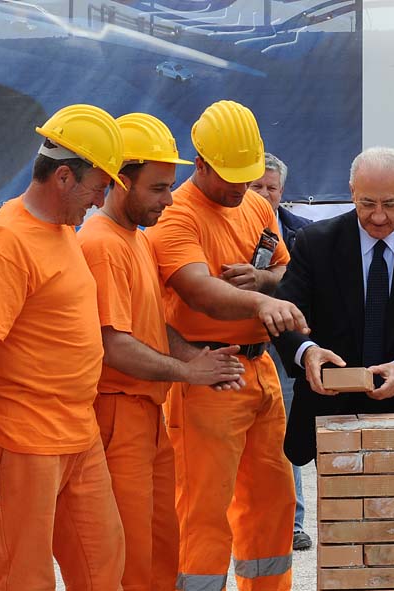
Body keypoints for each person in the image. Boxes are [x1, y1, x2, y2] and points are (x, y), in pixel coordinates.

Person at [0, 104, 126, 589]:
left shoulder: (60, 232)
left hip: (76, 435)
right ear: (65, 177)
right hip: (23, 445)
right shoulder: (5, 244)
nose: (100, 201)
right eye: (98, 187)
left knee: (102, 569)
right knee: (20, 579)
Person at [77, 112, 245, 591]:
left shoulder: (134, 239)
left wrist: (196, 360)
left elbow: (152, 326)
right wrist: (189, 371)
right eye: (157, 188)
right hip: (116, 413)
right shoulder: (102, 244)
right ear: (118, 181)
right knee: (126, 553)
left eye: (171, 186)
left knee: (159, 547)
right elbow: (115, 346)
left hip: (146, 412)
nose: (169, 200)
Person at [146, 100, 308, 590]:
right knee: (203, 508)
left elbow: (286, 270)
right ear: (199, 165)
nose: (241, 187)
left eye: (249, 174)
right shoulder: (176, 215)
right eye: (231, 176)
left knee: (273, 502)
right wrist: (258, 303)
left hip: (262, 372)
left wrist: (262, 278)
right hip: (208, 372)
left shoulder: (257, 205)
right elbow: (199, 290)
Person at [273, 146, 394, 466]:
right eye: (367, 203)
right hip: (330, 408)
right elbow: (286, 315)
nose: (378, 216)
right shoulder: (314, 242)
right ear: (351, 192)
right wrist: (308, 352)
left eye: (390, 204)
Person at [249, 152, 314, 551]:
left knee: (284, 433)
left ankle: (293, 522)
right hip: (238, 346)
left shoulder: (303, 234)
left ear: (282, 191)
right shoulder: (231, 225)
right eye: (256, 186)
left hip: (286, 349)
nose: (263, 194)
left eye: (270, 188)